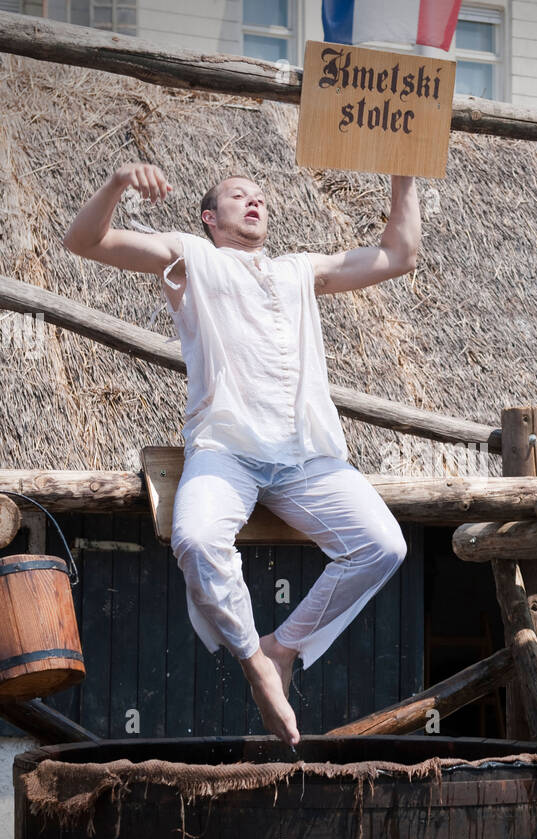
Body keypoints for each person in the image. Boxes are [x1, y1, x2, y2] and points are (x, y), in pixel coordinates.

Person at [63, 163, 421, 746]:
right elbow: (85, 242)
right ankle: (255, 661)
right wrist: (118, 182)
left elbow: (398, 256)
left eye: (259, 195)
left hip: (307, 453)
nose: (253, 200)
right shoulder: (191, 257)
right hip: (225, 450)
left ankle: (285, 646)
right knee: (198, 540)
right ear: (210, 217)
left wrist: (403, 175)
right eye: (237, 195)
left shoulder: (299, 271)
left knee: (383, 546)